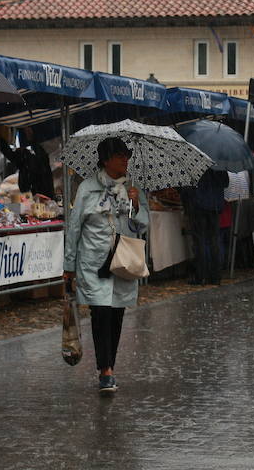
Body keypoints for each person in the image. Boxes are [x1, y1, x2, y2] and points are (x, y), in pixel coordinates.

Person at [63, 137, 149, 393]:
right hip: (93, 262)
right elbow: (75, 227)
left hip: (121, 261)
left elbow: (142, 225)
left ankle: (109, 362)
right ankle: (105, 370)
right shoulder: (87, 189)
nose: (126, 160)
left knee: (116, 313)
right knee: (100, 312)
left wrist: (136, 205)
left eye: (127, 155)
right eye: (120, 155)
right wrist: (69, 265)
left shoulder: (134, 188)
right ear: (105, 160)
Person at [185, 169, 229, 285]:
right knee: (214, 239)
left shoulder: (196, 163)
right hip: (215, 205)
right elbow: (225, 182)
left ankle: (202, 275)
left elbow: (188, 186)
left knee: (201, 241)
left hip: (199, 205)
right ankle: (215, 275)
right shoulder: (218, 163)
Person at [0, 128, 55, 198]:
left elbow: (10, 154)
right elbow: (9, 154)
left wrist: (31, 138)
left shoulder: (37, 160)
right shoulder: (23, 160)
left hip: (43, 194)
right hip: (31, 195)